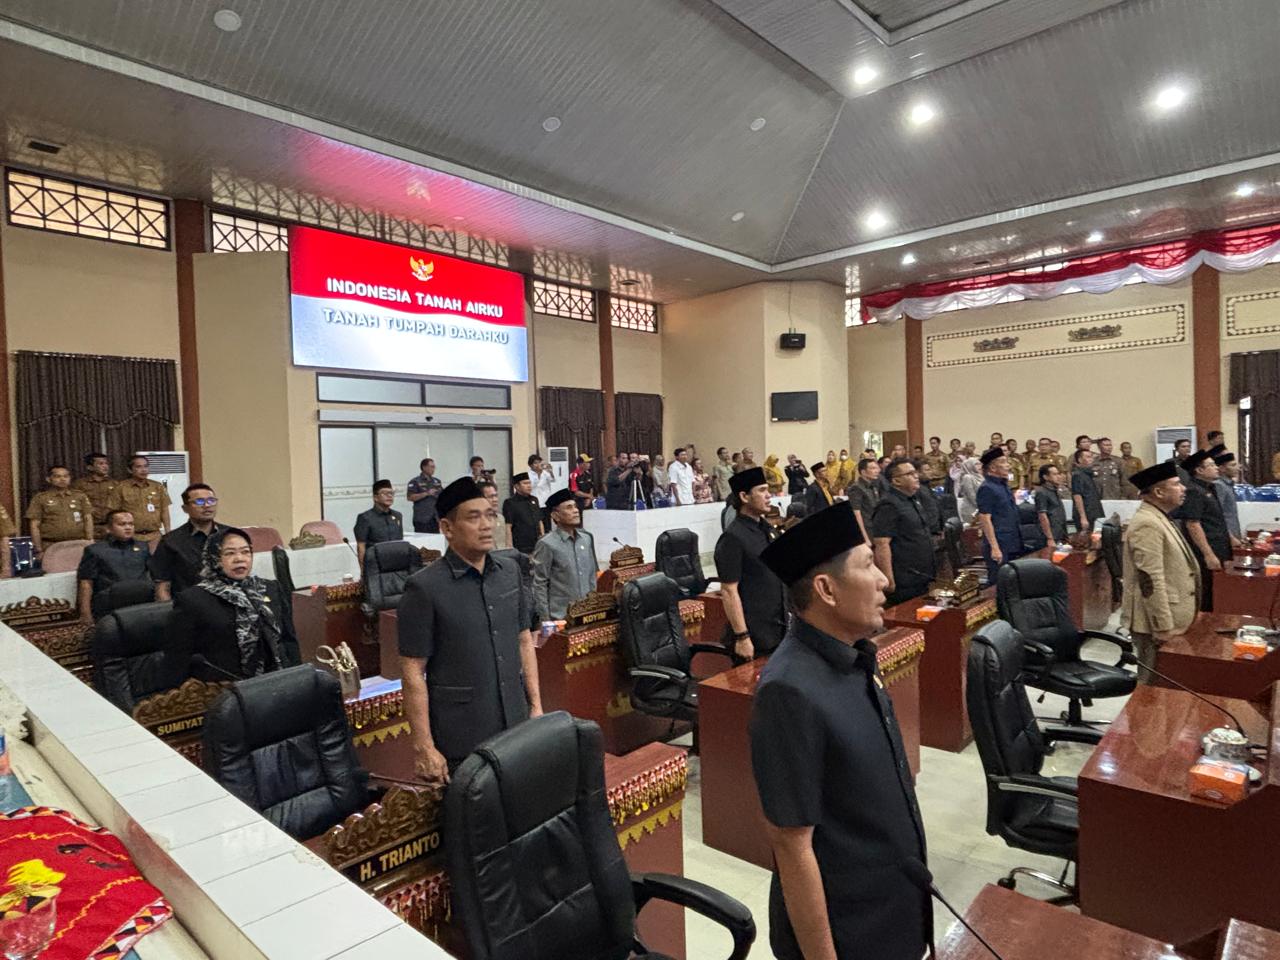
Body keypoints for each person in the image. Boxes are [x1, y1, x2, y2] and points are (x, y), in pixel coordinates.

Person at [750, 500, 928, 960]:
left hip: (894, 907)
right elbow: (791, 845)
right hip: (849, 930)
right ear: (827, 590)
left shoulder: (856, 655)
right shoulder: (789, 690)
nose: (884, 580)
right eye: (868, 565)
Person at [398, 477, 542, 782]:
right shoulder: (424, 587)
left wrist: (536, 706)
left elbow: (523, 641)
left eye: (490, 515)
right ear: (447, 528)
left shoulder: (510, 572)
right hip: (462, 734)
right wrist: (424, 746)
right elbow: (412, 670)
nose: (486, 525)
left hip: (515, 721)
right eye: (473, 517)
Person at [166, 527, 299, 684]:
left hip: (278, 682)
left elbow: (289, 641)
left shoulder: (270, 588)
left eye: (245, 552)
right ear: (214, 558)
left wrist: (299, 679)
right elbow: (178, 659)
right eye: (230, 553)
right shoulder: (193, 600)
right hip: (225, 687)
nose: (239, 559)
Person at [1121, 462, 1198, 682]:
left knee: (1164, 683)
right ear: (1158, 492)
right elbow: (1150, 579)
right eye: (1176, 484)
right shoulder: (1147, 523)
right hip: (1154, 622)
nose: (1183, 488)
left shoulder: (1160, 516)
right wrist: (1162, 625)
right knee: (1151, 685)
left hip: (1173, 615)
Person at [715, 467, 787, 662]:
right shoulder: (733, 537)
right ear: (744, 496)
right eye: (762, 490)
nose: (768, 495)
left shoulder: (767, 529)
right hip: (754, 636)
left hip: (778, 628)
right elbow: (729, 591)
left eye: (768, 490)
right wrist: (742, 636)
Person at [871, 458, 937, 607]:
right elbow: (882, 544)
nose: (916, 476)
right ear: (896, 481)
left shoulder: (912, 500)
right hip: (904, 579)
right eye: (910, 474)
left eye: (915, 473)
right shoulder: (889, 505)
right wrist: (888, 579)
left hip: (921, 576)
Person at [531, 488, 599, 621]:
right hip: (561, 617)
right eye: (569, 508)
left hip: (587, 615)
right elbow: (540, 584)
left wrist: (595, 607)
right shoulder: (547, 544)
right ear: (555, 516)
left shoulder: (586, 539)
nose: (575, 510)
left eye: (575, 506)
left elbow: (592, 576)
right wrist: (545, 619)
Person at [151, 484, 226, 601]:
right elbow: (162, 586)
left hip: (227, 602)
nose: (207, 505)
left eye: (211, 500)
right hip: (188, 604)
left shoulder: (230, 536)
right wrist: (168, 610)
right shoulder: (170, 541)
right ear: (185, 508)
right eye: (199, 501)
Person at [1179, 449, 1231, 611]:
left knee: (1216, 592)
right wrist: (1208, 554)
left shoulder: (1209, 488)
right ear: (1199, 470)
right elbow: (1193, 523)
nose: (1216, 468)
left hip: (1218, 546)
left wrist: (1231, 538)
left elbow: (1215, 519)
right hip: (1206, 550)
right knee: (1206, 593)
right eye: (1211, 465)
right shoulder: (1194, 491)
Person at [76, 510, 151, 621]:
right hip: (110, 604)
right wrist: (85, 613)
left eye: (131, 524)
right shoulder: (95, 550)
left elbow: (154, 574)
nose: (128, 527)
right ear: (108, 528)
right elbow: (86, 582)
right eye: (122, 524)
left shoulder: (143, 547)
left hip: (140, 601)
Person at [976, 447, 1023, 583]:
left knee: (1012, 582)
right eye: (1003, 462)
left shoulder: (1003, 485)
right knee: (998, 583)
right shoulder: (987, 488)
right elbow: (985, 518)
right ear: (992, 468)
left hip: (1011, 540)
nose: (1008, 465)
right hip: (999, 542)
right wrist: (994, 547)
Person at [26, 465, 93, 557]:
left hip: (77, 543)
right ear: (49, 479)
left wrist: (89, 540)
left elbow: (87, 519)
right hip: (51, 544)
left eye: (66, 476)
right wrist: (38, 549)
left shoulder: (80, 496)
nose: (62, 479)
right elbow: (34, 525)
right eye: (58, 476)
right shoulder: (41, 498)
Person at [106, 455, 171, 544]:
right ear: (130, 470)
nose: (143, 470)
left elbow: (164, 510)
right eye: (138, 467)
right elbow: (113, 513)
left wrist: (168, 532)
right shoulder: (120, 487)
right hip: (130, 536)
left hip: (154, 536)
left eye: (146, 466)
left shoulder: (158, 487)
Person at [354, 479, 404, 567]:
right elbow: (361, 546)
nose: (389, 496)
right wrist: (363, 569)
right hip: (375, 564)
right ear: (375, 498)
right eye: (385, 493)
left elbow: (400, 541)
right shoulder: (365, 518)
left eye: (391, 493)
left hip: (396, 562)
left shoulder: (397, 515)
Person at [73, 452, 118, 539]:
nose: (105, 466)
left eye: (106, 463)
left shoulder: (114, 483)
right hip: (89, 525)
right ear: (90, 467)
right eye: (101, 464)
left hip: (110, 525)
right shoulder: (79, 485)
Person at [502, 471, 544, 552]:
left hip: (537, 543)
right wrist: (509, 546)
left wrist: (542, 537)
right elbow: (508, 526)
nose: (529, 486)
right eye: (525, 483)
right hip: (521, 545)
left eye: (529, 483)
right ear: (517, 486)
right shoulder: (510, 503)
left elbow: (539, 521)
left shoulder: (534, 500)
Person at [845, 457, 881, 544]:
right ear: (863, 472)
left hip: (875, 528)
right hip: (866, 530)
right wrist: (865, 538)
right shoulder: (856, 488)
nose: (877, 471)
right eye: (873, 468)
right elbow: (856, 513)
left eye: (877, 468)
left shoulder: (873, 486)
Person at [1071, 449, 1104, 534]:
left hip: (1091, 512)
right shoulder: (1078, 475)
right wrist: (1083, 517)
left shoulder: (1088, 474)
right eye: (1088, 457)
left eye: (1091, 457)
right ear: (1080, 460)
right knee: (1084, 538)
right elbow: (1077, 496)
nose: (1091, 459)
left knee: (1090, 536)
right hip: (1085, 513)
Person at [1213, 451, 1243, 545]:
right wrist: (1231, 537)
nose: (1238, 468)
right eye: (1233, 465)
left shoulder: (1228, 485)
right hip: (1225, 537)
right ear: (1222, 468)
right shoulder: (1219, 485)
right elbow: (1218, 515)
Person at [1034, 464, 1069, 545]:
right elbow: (1042, 516)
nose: (1059, 477)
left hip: (1060, 533)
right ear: (1046, 477)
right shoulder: (1042, 492)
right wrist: (1049, 538)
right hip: (1050, 535)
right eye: (1055, 474)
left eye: (1058, 474)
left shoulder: (1055, 491)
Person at [406, 458, 443, 534]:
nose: (433, 469)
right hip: (422, 518)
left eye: (434, 467)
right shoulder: (415, 481)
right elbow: (410, 497)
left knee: (435, 540)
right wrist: (426, 493)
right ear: (424, 467)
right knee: (423, 540)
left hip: (435, 518)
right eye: (431, 467)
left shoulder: (437, 481)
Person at [479, 479, 509, 550]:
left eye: (496, 496)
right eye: (490, 497)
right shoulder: (477, 521)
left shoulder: (501, 518)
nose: (495, 500)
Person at [955, 456, 983, 524]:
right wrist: (982, 506)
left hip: (982, 508)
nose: (979, 466)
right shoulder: (967, 477)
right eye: (976, 464)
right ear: (970, 465)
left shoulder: (981, 477)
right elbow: (971, 496)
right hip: (971, 510)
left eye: (980, 464)